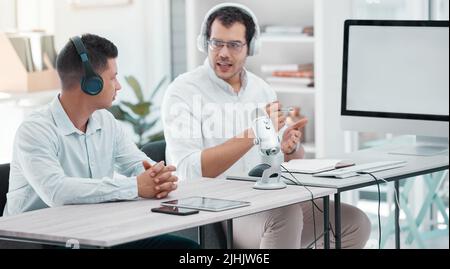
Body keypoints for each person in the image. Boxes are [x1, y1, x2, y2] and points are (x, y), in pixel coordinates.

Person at [162, 3, 371, 249]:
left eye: (234, 44)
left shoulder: (261, 89)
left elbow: (286, 160)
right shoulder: (183, 92)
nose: (223, 53)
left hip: (264, 198)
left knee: (354, 221)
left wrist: (289, 148)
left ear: (251, 46)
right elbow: (189, 171)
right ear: (205, 43)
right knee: (286, 216)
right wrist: (256, 131)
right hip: (215, 205)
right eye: (216, 43)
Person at [4, 34, 199, 249]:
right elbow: (57, 192)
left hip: (92, 232)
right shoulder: (35, 130)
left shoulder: (106, 122)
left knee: (184, 250)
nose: (119, 86)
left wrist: (157, 176)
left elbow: (137, 165)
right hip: (39, 239)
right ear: (91, 83)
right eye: (113, 78)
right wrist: (135, 186)